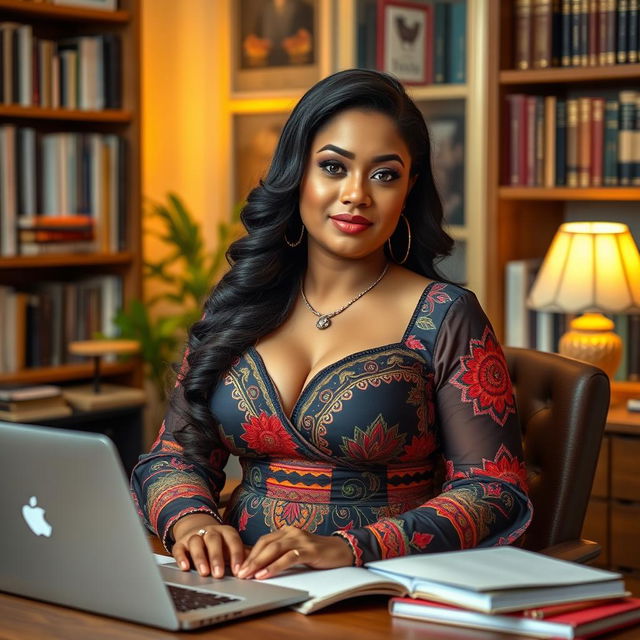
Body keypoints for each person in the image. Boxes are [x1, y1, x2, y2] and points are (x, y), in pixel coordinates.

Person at [131, 69, 532, 582]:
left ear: (409, 188)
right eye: (333, 167)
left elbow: (495, 490)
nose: (356, 194)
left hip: (376, 590)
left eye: (384, 175)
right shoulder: (239, 303)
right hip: (234, 584)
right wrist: (193, 524)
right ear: (299, 172)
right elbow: (172, 455)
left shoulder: (445, 315)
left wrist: (351, 548)